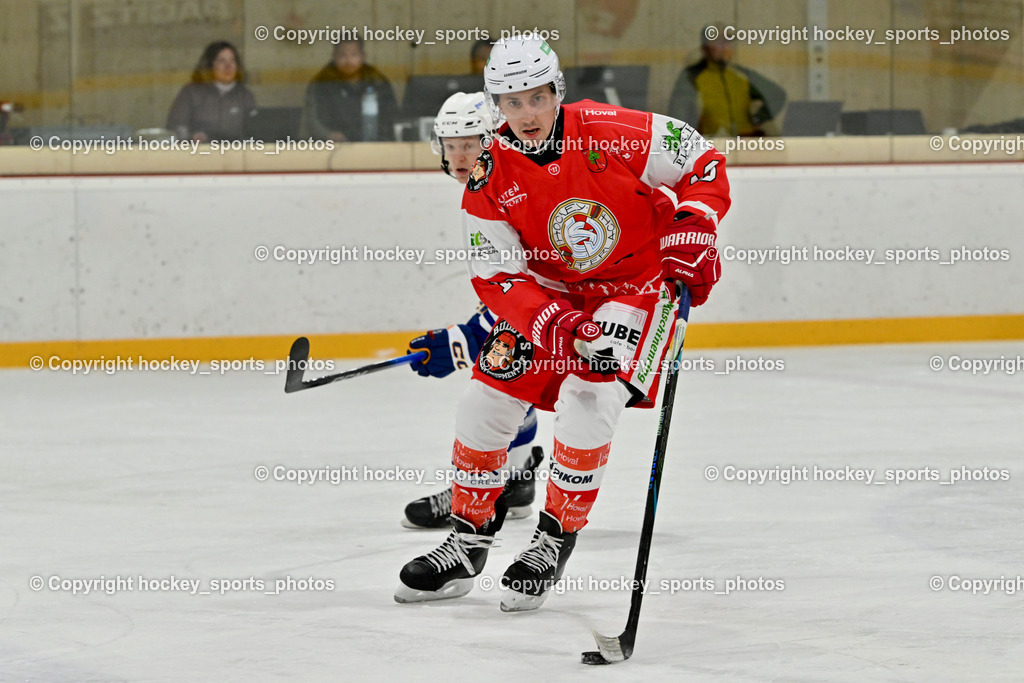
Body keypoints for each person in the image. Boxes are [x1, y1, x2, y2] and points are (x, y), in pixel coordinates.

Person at [395, 33, 731, 610]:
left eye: (537, 97)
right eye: (512, 101)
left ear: (557, 92)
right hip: (553, 295)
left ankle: (553, 538)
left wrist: (694, 226)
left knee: (586, 398)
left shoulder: (611, 129)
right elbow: (498, 276)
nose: (526, 113)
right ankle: (470, 537)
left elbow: (698, 157)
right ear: (495, 105)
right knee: (484, 402)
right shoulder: (487, 173)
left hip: (637, 289)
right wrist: (551, 320)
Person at [402, 91, 542, 529]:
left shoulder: (515, 187)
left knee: (487, 393)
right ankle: (516, 478)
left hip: (583, 315)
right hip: (552, 314)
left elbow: (526, 288)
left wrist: (465, 340)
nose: (460, 155)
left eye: (471, 143)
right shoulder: (487, 188)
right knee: (509, 380)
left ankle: (486, 493)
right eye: (452, 144)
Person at [667, 24, 786, 137]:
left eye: (728, 42)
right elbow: (678, 114)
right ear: (706, 47)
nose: (725, 48)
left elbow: (776, 94)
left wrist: (758, 117)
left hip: (746, 142)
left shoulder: (741, 74)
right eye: (719, 43)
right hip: (711, 143)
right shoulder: (692, 75)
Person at [302, 38, 399, 142]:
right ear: (334, 56)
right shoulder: (322, 82)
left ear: (363, 56)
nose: (349, 61)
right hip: (332, 148)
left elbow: (392, 117)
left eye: (354, 55)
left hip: (373, 146)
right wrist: (329, 135)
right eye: (342, 55)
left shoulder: (376, 81)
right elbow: (311, 121)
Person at [167, 41, 256, 142]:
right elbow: (175, 126)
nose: (228, 66)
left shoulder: (245, 95)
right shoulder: (191, 92)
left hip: (234, 154)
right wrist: (191, 136)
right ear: (210, 65)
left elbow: (253, 133)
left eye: (232, 61)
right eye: (222, 61)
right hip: (198, 154)